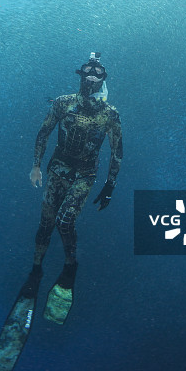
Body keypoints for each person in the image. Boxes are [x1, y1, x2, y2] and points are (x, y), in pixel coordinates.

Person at [25, 52, 123, 300]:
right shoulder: (63, 102)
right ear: (80, 75)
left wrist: (109, 185)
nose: (92, 77)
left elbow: (117, 152)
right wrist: (36, 165)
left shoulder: (109, 114)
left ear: (103, 80)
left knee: (65, 222)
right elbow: (43, 133)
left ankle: (70, 265)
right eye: (88, 71)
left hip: (85, 174)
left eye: (97, 74)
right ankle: (36, 268)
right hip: (57, 168)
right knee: (46, 223)